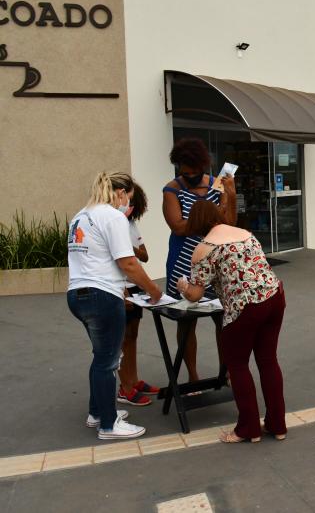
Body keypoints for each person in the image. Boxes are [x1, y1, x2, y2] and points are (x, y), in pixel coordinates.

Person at [177, 201, 286, 444]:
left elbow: (195, 295)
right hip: (275, 296)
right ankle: (277, 425)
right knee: (268, 361)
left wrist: (182, 286)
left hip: (245, 306)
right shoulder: (245, 234)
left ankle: (248, 429)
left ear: (195, 223)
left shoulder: (204, 248)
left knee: (237, 365)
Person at [67, 172, 163, 440]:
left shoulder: (81, 216)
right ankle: (109, 425)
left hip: (78, 294)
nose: (128, 205)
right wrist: (154, 291)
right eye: (128, 199)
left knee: (101, 357)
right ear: (120, 194)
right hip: (102, 297)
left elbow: (92, 259)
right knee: (108, 362)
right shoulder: (113, 217)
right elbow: (129, 262)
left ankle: (96, 413)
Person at [162, 138, 237, 383]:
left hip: (216, 262)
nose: (192, 176)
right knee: (186, 322)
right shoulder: (172, 190)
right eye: (186, 172)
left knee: (222, 319)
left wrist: (231, 197)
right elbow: (178, 227)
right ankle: (192, 377)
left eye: (196, 171)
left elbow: (230, 224)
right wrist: (212, 218)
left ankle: (223, 374)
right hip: (184, 262)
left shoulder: (218, 184)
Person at [117, 182, 161, 406]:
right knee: (121, 338)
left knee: (133, 334)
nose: (130, 207)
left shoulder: (131, 225)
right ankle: (123, 388)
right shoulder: (113, 224)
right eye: (128, 201)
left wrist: (128, 247)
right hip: (120, 286)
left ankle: (133, 380)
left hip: (135, 285)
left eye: (134, 203)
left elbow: (144, 256)